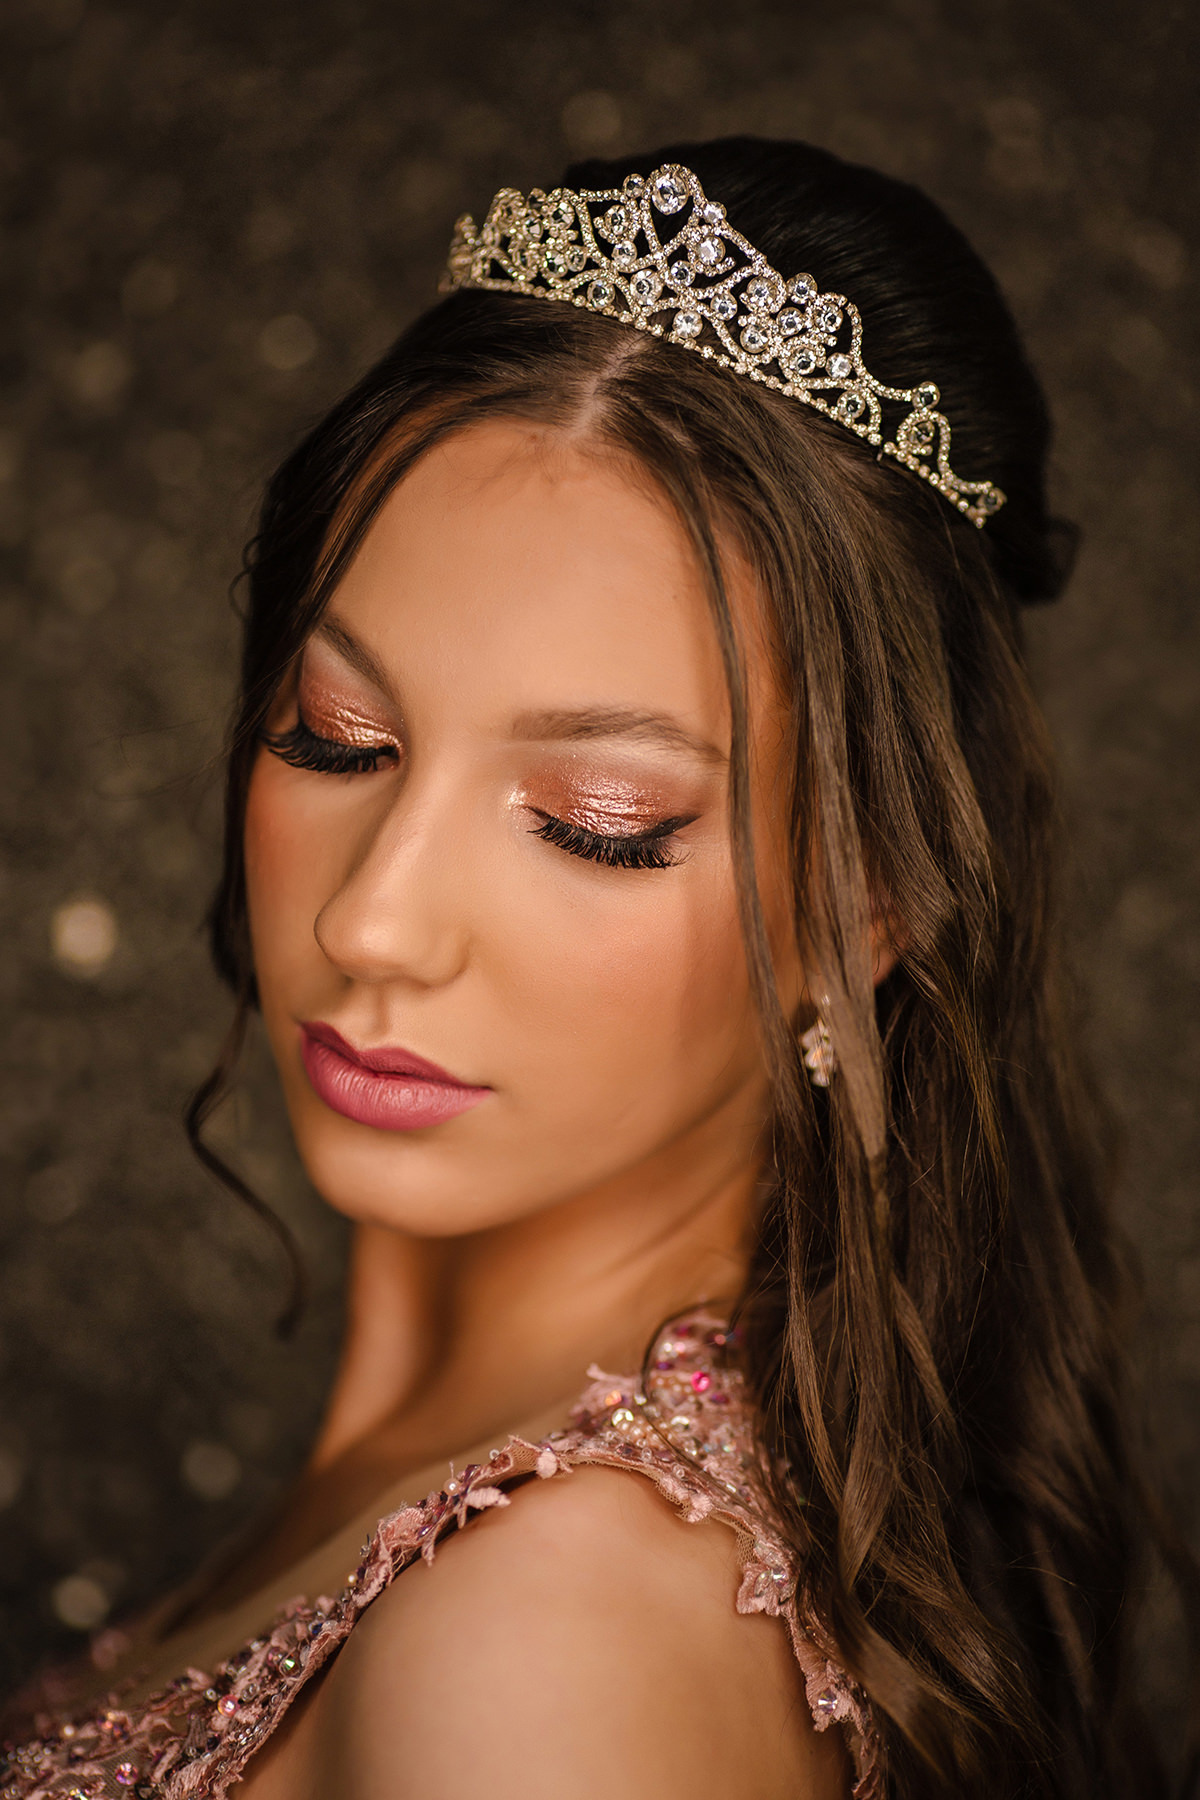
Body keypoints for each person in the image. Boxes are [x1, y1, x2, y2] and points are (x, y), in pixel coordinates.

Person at [0, 136, 1190, 1800]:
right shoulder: (498, 1509)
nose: (370, 922)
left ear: (874, 902)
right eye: (334, 735)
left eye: (597, 823)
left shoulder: (547, 1651)